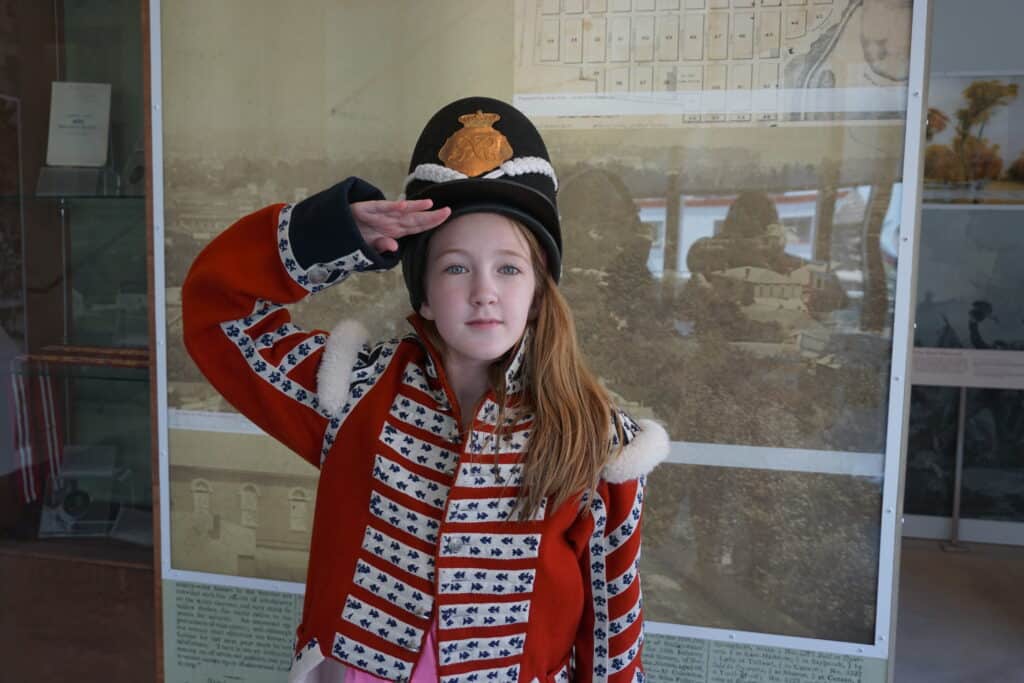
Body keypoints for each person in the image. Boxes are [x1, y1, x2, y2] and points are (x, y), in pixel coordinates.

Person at [183, 96, 668, 683]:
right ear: (424, 296)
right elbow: (219, 317)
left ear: (540, 293)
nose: (484, 291)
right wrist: (331, 232)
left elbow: (614, 638)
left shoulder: (598, 442)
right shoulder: (354, 391)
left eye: (510, 268)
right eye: (456, 268)